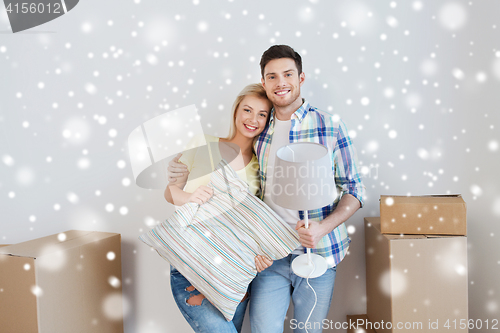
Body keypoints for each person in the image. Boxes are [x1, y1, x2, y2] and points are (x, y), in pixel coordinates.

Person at [169, 45, 366, 333]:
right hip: (269, 255)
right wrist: (178, 179)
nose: (280, 82)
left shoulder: (330, 126)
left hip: (319, 252)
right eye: (272, 76)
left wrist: (323, 227)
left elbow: (354, 189)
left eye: (288, 74)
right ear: (264, 82)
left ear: (301, 78)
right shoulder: (260, 128)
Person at [164, 83, 274, 333]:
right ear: (236, 111)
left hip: (236, 270)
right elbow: (170, 193)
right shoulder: (202, 143)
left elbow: (256, 223)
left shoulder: (262, 167)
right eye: (247, 110)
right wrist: (191, 197)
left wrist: (259, 253)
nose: (252, 119)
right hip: (192, 263)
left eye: (262, 114)